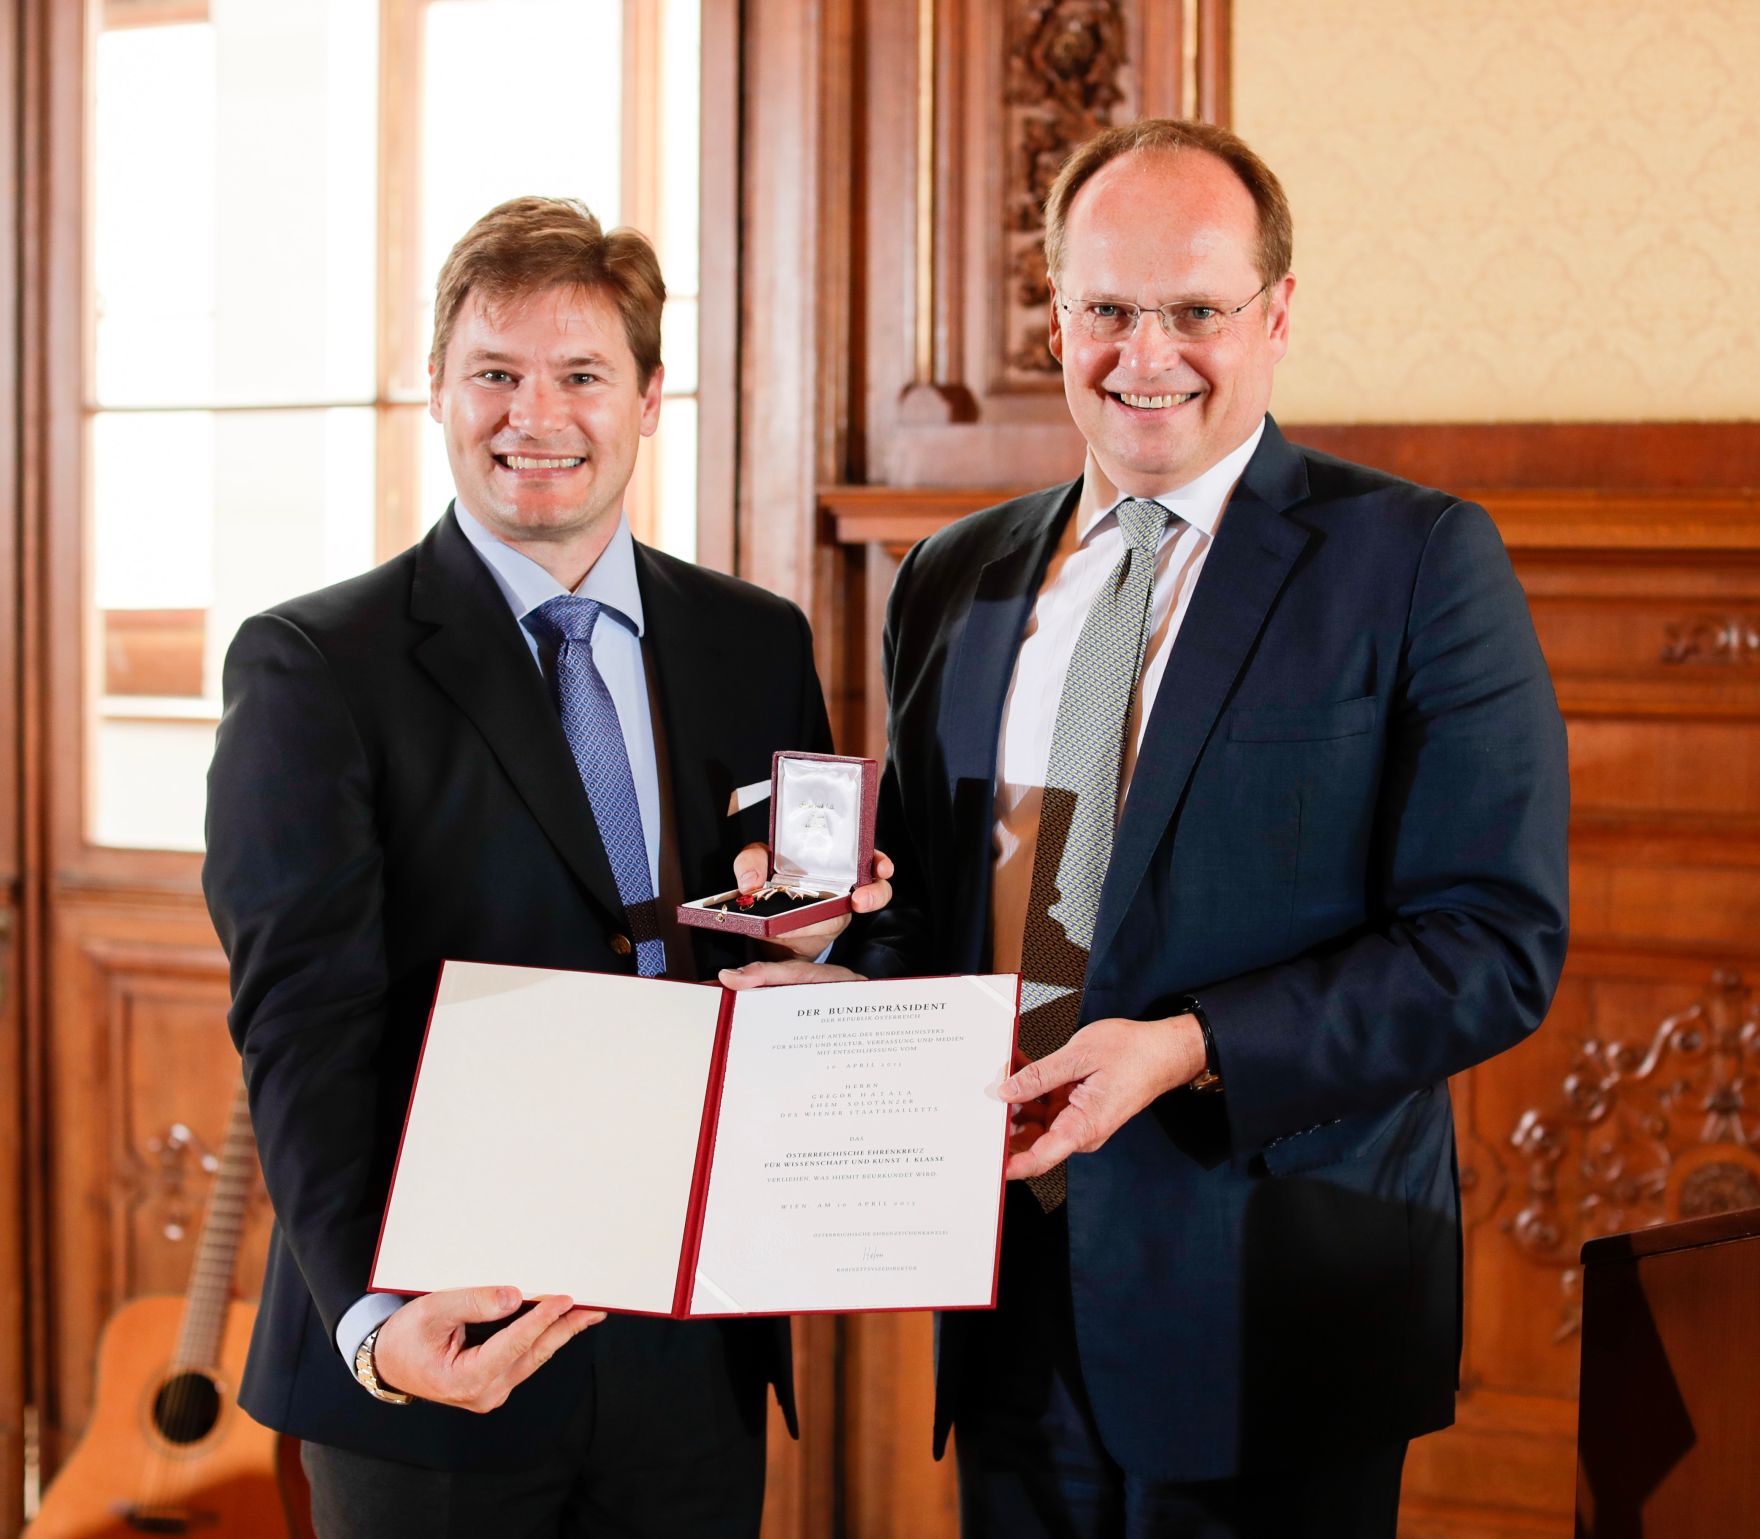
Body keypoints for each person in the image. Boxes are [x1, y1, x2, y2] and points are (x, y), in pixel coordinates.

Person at [725, 119, 1569, 1537]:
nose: (1145, 354)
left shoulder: (1418, 560)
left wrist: (1187, 1047)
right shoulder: (951, 577)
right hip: (1005, 1289)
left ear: (1277, 315)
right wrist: (830, 965)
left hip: (1272, 1308)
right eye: (1108, 309)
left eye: (1195, 312)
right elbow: (931, 914)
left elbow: (1492, 946)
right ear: (1057, 317)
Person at [204, 195, 889, 1539]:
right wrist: (377, 1321)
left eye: (581, 375)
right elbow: (300, 1024)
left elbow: (791, 917)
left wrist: (820, 939)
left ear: (648, 399)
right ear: (437, 392)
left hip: (692, 1337)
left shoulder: (754, 641)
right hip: (439, 1337)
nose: (536, 416)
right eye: (495, 375)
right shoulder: (312, 666)